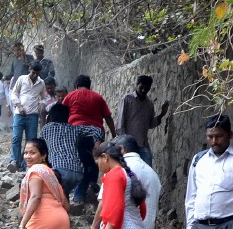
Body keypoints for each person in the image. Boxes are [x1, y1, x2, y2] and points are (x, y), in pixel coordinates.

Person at [66, 74, 116, 204]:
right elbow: (108, 117)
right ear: (89, 86)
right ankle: (91, 188)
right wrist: (114, 135)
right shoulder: (97, 97)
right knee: (95, 161)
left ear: (77, 86)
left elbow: (62, 113)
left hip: (76, 132)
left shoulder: (70, 96)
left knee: (80, 163)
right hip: (95, 133)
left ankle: (78, 196)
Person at [38, 103, 97, 198]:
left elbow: (40, 146)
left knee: (53, 196)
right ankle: (70, 207)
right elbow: (97, 130)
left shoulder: (46, 129)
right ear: (68, 116)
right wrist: (97, 144)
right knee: (64, 195)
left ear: (51, 117)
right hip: (78, 173)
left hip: (59, 172)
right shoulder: (74, 129)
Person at [113, 75, 170, 167]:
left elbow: (150, 124)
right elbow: (120, 123)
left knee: (147, 169)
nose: (143, 90)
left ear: (150, 88)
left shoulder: (149, 103)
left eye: (147, 88)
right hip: (128, 145)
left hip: (143, 144)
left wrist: (162, 114)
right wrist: (124, 142)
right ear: (137, 85)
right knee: (129, 171)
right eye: (141, 87)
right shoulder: (127, 99)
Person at [9, 62, 46, 170]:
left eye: (37, 73)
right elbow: (14, 94)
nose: (35, 75)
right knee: (16, 138)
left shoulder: (41, 83)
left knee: (31, 141)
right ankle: (14, 160)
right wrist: (19, 106)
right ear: (30, 69)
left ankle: (27, 164)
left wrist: (42, 105)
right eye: (33, 73)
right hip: (19, 114)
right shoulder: (22, 79)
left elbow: (43, 97)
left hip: (33, 115)